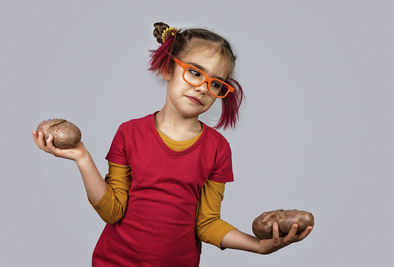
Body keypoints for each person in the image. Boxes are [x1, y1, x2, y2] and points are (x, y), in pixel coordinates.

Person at [32, 22, 313, 266]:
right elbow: (112, 210)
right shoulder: (129, 133)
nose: (204, 87)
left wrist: (258, 246)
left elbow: (207, 223)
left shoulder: (218, 149)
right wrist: (82, 157)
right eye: (195, 72)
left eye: (216, 84)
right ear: (168, 67)